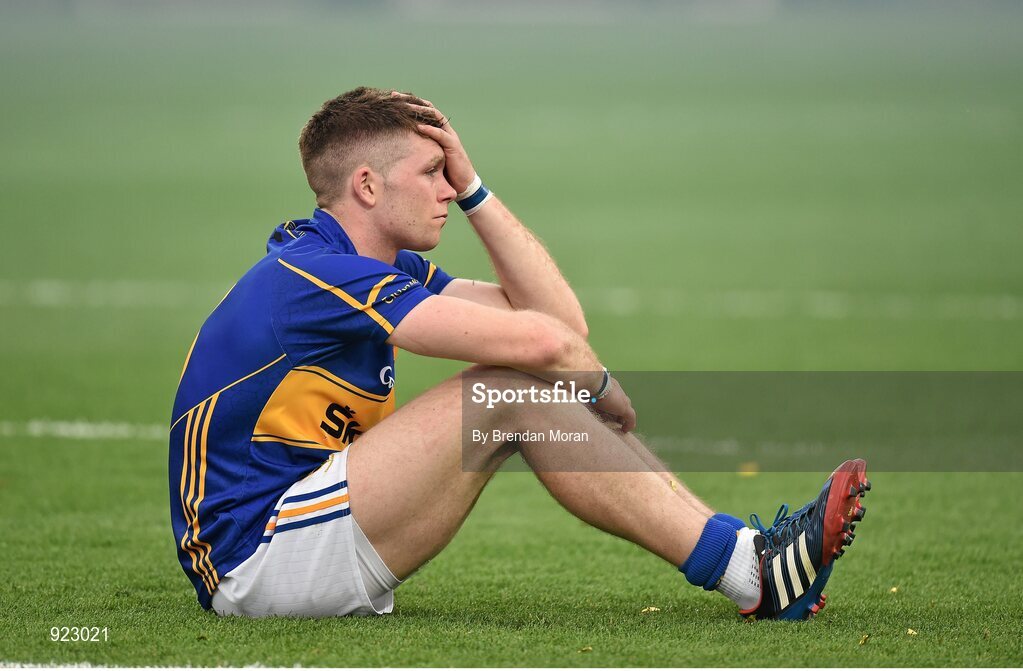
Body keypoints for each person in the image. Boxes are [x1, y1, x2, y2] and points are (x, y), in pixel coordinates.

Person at [169, 86, 870, 621]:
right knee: (507, 392)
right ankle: (751, 568)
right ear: (366, 186)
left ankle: (751, 558)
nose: (446, 188)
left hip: (305, 526)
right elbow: (548, 344)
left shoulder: (377, 270)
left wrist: (477, 189)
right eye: (433, 173)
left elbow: (558, 320)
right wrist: (596, 386)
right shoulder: (315, 274)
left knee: (517, 385)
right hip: (254, 557)